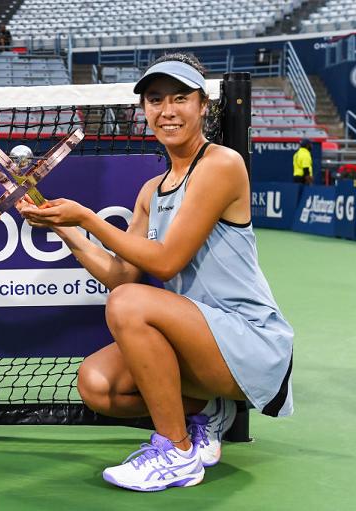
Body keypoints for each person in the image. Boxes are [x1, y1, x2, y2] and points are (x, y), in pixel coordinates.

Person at [20, 53, 293, 492]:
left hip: (250, 341)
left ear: (204, 105)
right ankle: (203, 413)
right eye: (155, 99)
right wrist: (67, 230)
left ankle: (177, 450)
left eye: (180, 98)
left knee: (128, 306)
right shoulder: (151, 190)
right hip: (196, 337)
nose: (167, 110)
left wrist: (89, 218)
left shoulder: (221, 164)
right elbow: (123, 275)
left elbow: (165, 262)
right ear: (144, 110)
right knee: (96, 384)